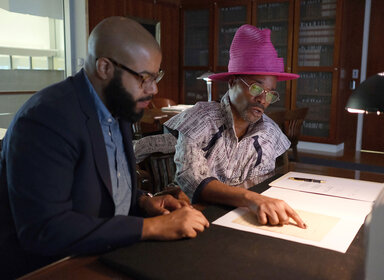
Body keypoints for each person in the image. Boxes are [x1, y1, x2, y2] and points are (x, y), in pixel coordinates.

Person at [0, 16, 208, 279]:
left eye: (156, 76)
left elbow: (103, 189)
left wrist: (144, 202)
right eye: (144, 78)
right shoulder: (46, 119)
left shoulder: (116, 106)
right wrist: (151, 228)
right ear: (105, 67)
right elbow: (46, 231)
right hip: (51, 267)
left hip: (108, 252)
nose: (153, 88)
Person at [164, 24, 306, 229]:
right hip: (192, 217)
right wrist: (251, 199)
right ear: (232, 82)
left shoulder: (269, 133)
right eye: (256, 87)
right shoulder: (199, 120)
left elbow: (261, 183)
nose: (263, 99)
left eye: (270, 93)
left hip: (240, 219)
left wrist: (256, 199)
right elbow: (192, 180)